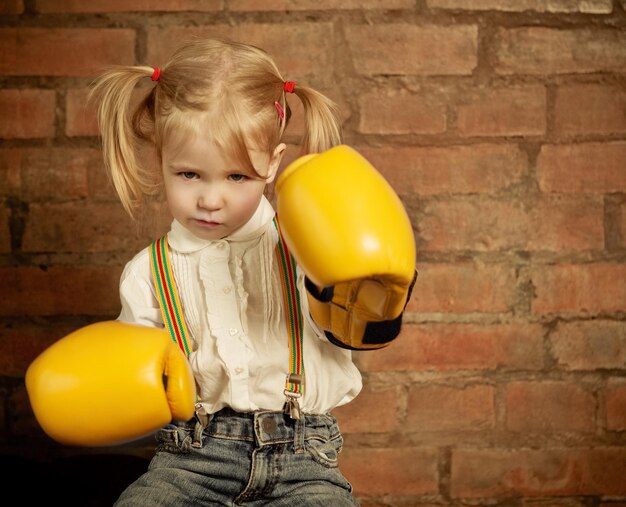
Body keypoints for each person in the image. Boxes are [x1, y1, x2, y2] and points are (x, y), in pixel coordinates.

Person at [89, 38, 363, 506]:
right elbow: (137, 383)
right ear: (161, 161)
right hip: (189, 461)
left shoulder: (305, 250)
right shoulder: (146, 274)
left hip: (304, 459)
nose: (210, 199)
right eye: (190, 174)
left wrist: (366, 291)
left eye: (237, 177)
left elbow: (345, 331)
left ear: (272, 165)